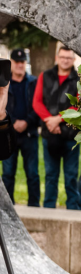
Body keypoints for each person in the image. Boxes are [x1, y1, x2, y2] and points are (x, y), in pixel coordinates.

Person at [33, 45, 81, 209]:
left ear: (73, 60)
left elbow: (80, 106)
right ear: (56, 58)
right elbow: (37, 102)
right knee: (51, 176)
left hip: (71, 137)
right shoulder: (45, 76)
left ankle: (73, 211)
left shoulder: (79, 80)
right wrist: (50, 121)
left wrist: (58, 119)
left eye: (68, 58)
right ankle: (48, 210)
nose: (65, 60)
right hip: (50, 135)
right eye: (62, 57)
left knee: (71, 177)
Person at [3, 48, 40, 205]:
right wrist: (14, 122)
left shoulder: (34, 82)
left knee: (32, 174)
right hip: (8, 134)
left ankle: (34, 206)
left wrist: (27, 121)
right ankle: (7, 207)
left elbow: (39, 104)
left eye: (22, 62)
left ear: (26, 63)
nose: (19, 65)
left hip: (29, 133)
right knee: (8, 173)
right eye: (16, 62)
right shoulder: (3, 82)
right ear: (11, 63)